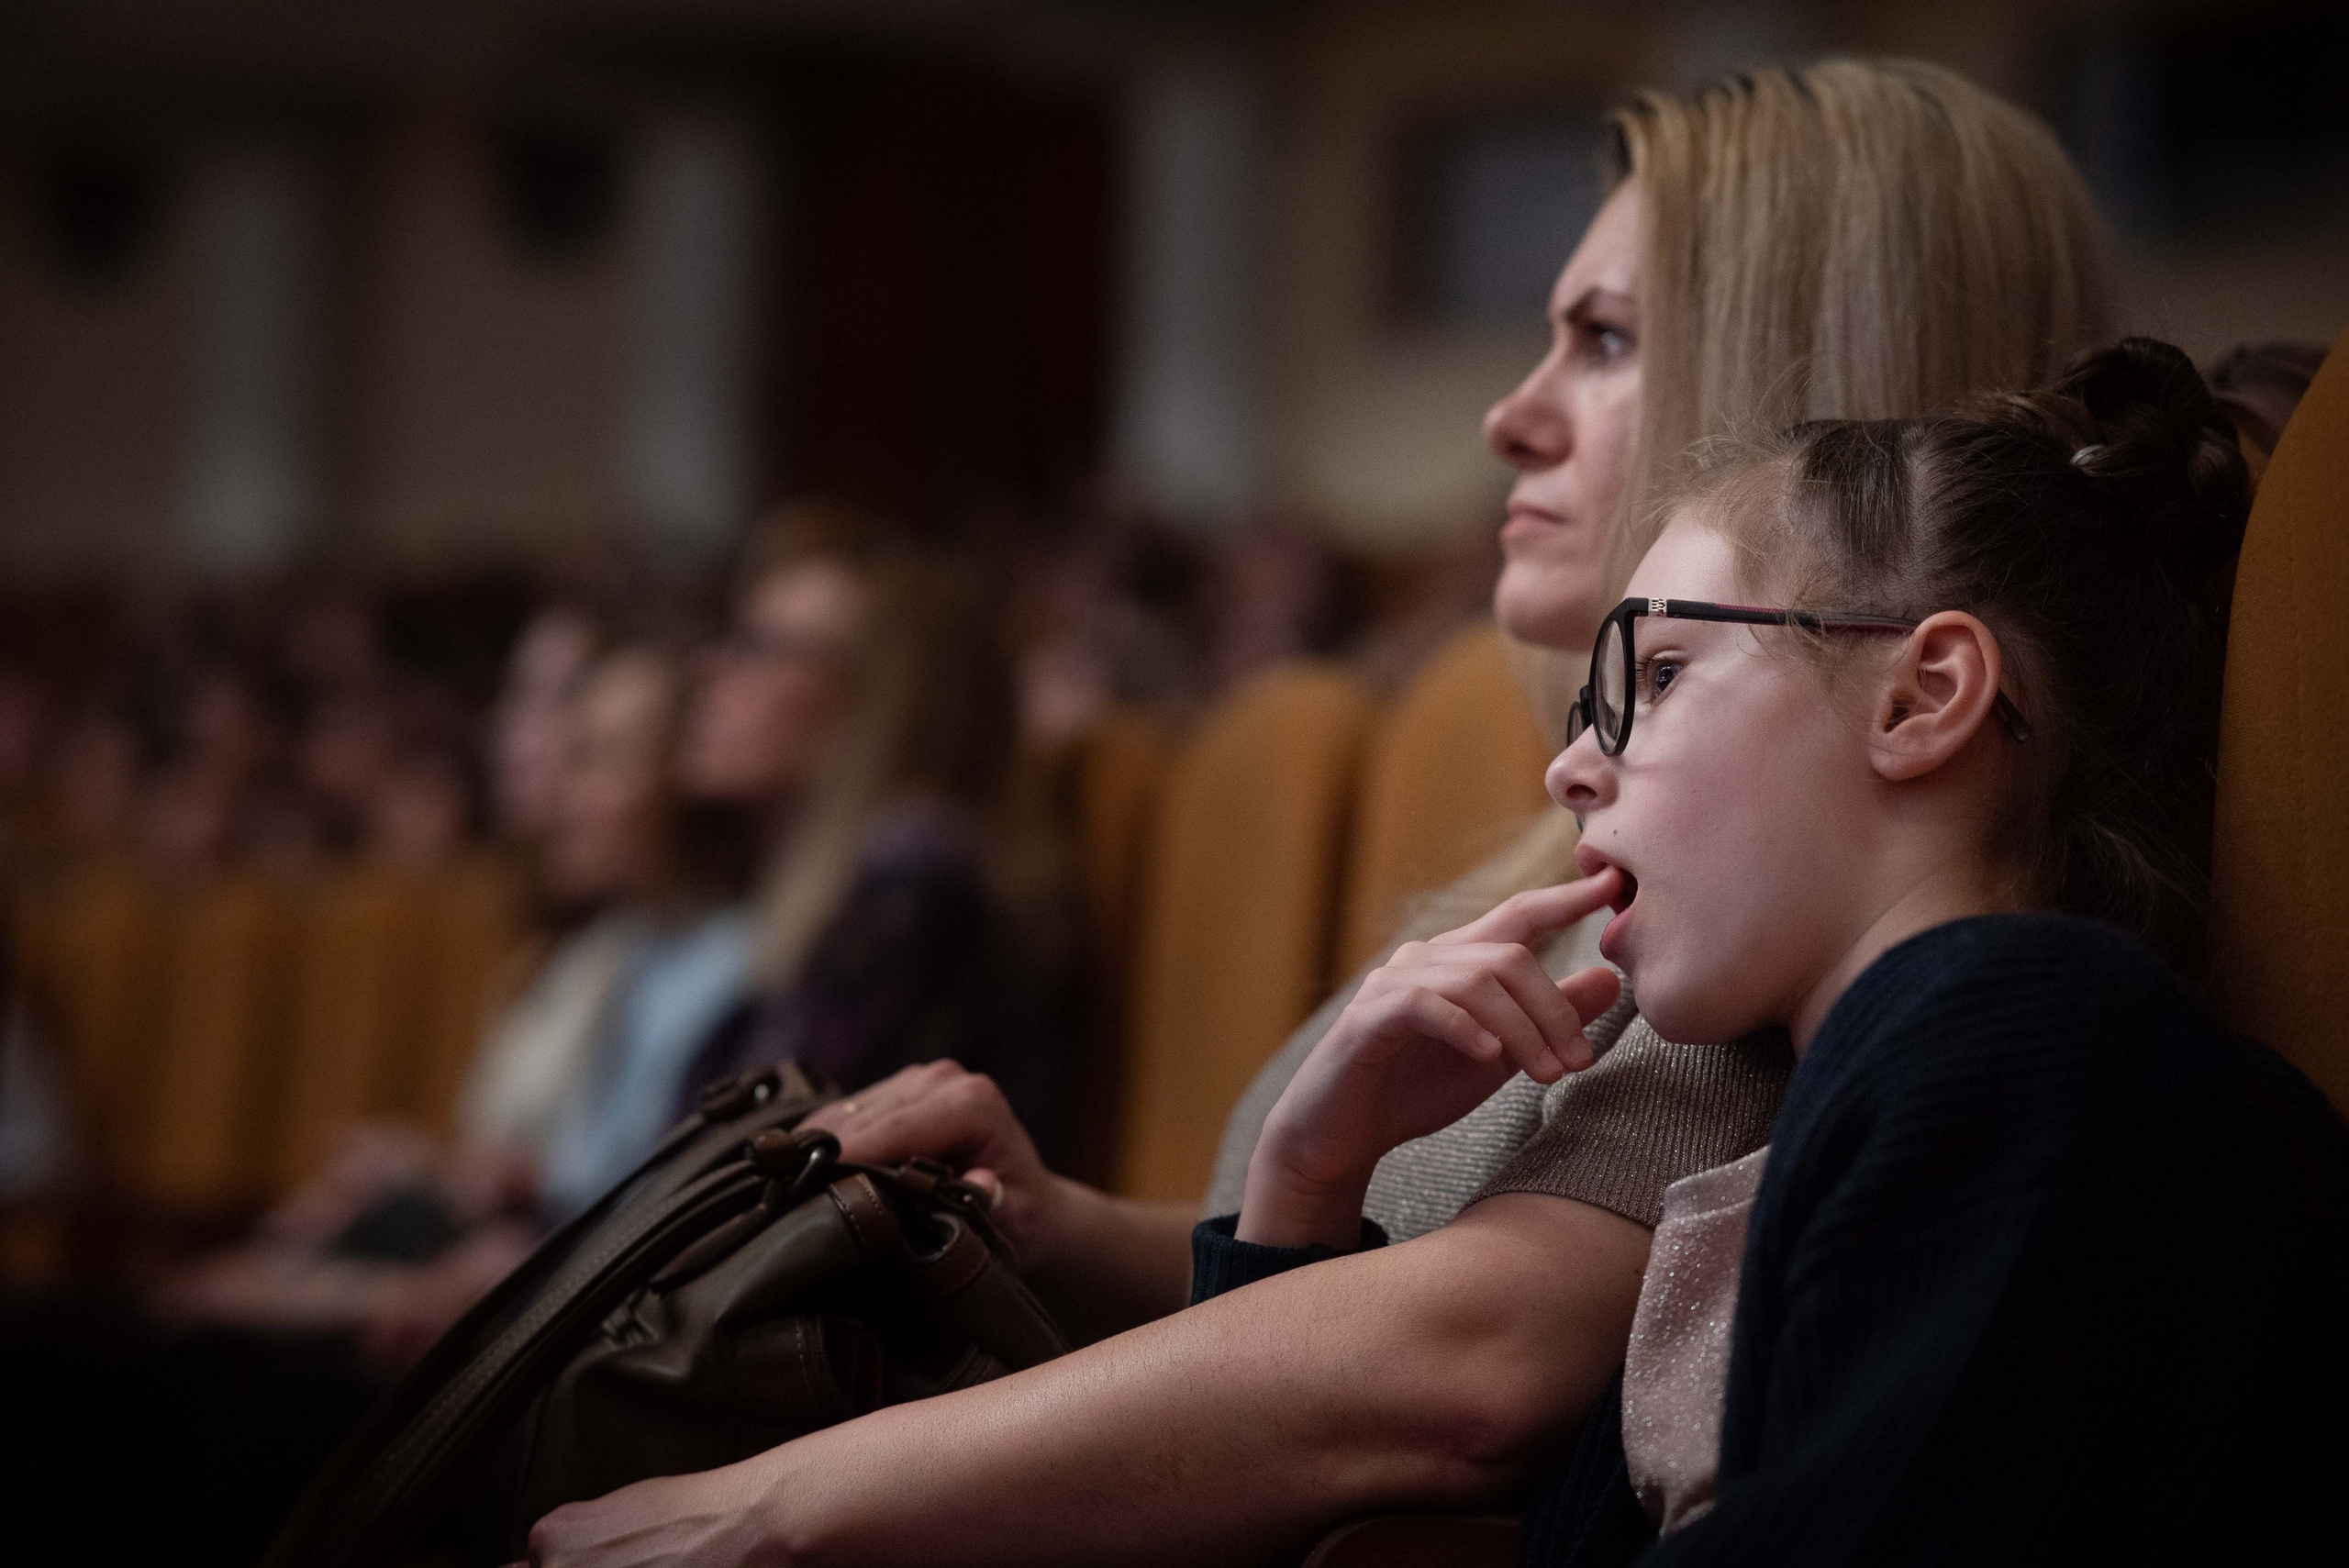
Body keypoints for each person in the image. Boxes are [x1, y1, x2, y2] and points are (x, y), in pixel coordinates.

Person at [522, 60, 2129, 1567]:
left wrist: (767, 1511)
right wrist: (1070, 1227)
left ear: (1794, 383)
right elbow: (1377, 1266)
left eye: (1609, 340)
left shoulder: (1782, 925)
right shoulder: (1668, 849)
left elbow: (1453, 1355)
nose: (1513, 412)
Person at [1215, 338, 2349, 1561]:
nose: (1570, 766)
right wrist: (1309, 1183)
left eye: (1656, 671)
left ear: (1922, 698)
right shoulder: (1832, 1134)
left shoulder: (2023, 1031)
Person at [671, 510, 1078, 1162]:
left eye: (763, 645)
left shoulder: (916, 900)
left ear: (879, 697)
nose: (713, 667)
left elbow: (777, 1171)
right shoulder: (845, 893)